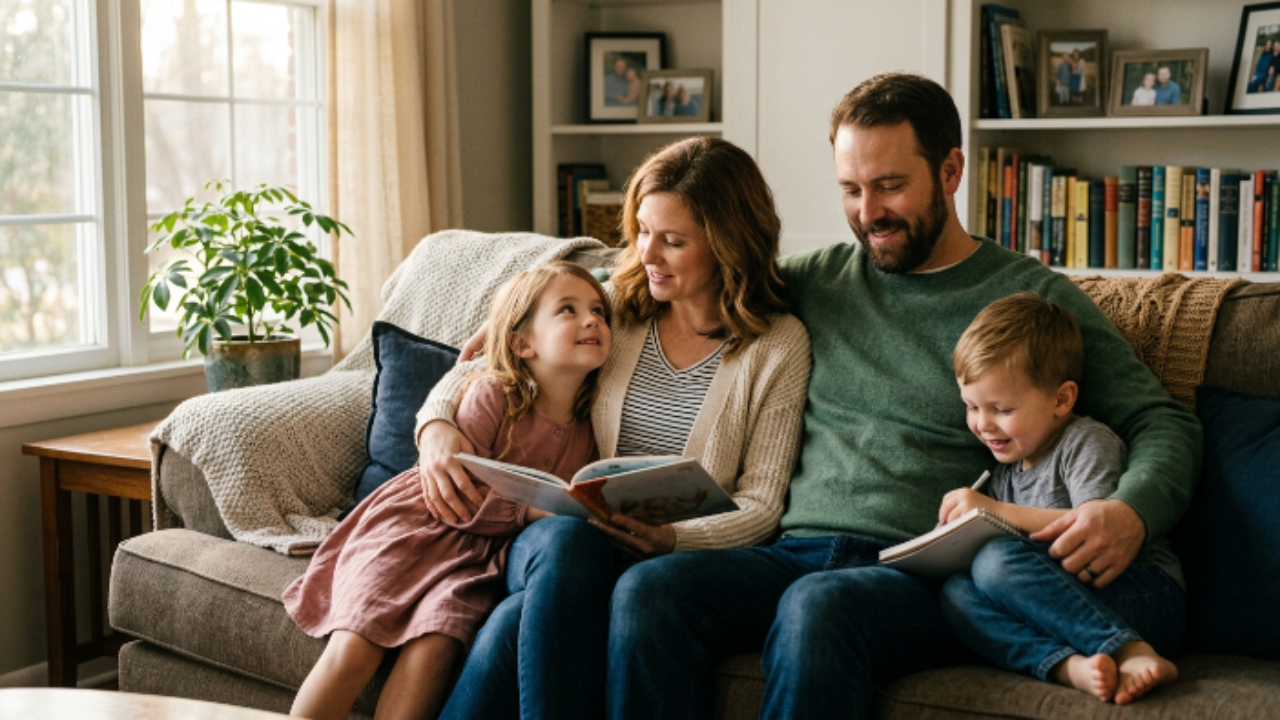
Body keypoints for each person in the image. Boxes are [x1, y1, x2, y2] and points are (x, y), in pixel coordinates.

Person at [606, 73, 1200, 720]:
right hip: (790, 552)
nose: (868, 213)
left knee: (818, 607)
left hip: (919, 572)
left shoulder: (1030, 299)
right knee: (649, 591)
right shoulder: (811, 281)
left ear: (951, 171)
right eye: (850, 189)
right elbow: (674, 267)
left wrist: (1131, 511)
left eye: (890, 186)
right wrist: (546, 307)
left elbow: (1160, 420)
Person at [416, 136, 812, 720]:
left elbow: (761, 504)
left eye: (673, 241)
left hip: (671, 557)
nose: (647, 253)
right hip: (566, 540)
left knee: (512, 622)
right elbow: (487, 358)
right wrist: (436, 424)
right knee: (568, 542)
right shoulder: (613, 306)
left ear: (729, 246)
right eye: (643, 230)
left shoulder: (776, 346)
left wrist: (672, 539)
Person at [283, 261, 613, 720]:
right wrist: (533, 513)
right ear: (522, 343)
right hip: (415, 529)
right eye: (568, 310)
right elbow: (458, 490)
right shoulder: (493, 395)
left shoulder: (589, 431)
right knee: (354, 649)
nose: (592, 320)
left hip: (474, 561)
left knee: (435, 648)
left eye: (598, 310)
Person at [938, 292, 1183, 706]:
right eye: (972, 407)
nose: (982, 424)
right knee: (955, 593)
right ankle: (1070, 667)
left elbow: (1094, 528)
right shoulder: (1005, 473)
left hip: (1143, 594)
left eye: (1001, 409)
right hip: (1069, 606)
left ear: (1061, 399)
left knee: (996, 562)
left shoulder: (1085, 442)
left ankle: (1130, 650)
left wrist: (994, 512)